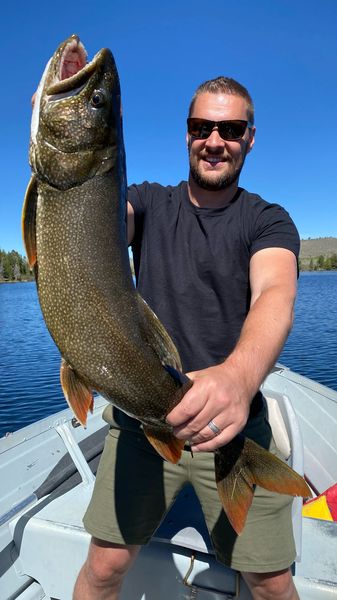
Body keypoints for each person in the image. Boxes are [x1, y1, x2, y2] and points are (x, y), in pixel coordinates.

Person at [73, 76, 301, 600]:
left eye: (230, 128)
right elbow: (95, 217)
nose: (215, 140)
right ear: (187, 134)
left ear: (249, 137)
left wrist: (238, 380)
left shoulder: (267, 220)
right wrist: (77, 131)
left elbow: (275, 298)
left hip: (234, 424)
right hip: (143, 420)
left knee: (270, 583)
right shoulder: (148, 203)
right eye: (203, 127)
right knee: (103, 568)